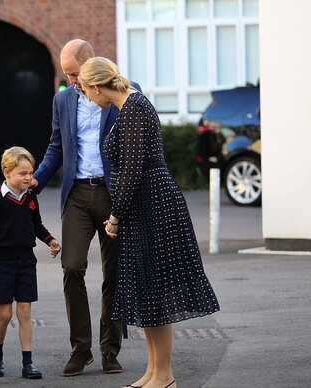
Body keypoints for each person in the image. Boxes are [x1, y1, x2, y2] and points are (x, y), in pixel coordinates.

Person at [78, 56, 220, 388]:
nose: (86, 96)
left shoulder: (134, 107)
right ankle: (154, 371)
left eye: (85, 90)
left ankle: (165, 375)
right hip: (144, 207)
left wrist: (114, 216)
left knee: (156, 290)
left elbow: (132, 170)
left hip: (154, 206)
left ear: (97, 86)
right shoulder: (129, 107)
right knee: (147, 291)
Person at [32, 39, 138, 376]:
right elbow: (55, 146)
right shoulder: (62, 99)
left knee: (115, 273)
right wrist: (36, 179)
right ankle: (81, 349)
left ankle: (110, 349)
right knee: (73, 266)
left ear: (92, 63)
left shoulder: (125, 93)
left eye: (75, 73)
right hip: (76, 193)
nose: (71, 80)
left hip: (113, 195)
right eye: (66, 74)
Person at [0, 146, 61, 380]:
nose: (28, 178)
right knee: (4, 315)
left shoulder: (31, 198)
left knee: (24, 311)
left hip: (26, 262)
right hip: (3, 262)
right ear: (7, 172)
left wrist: (50, 240)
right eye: (23, 173)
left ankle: (28, 362)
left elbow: (37, 225)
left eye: (30, 173)